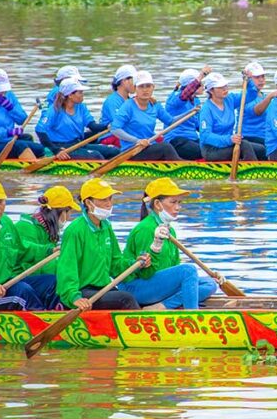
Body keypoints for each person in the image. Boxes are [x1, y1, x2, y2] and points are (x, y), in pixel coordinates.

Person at [121, 178, 218, 309]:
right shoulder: (145, 229)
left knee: (210, 283)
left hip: (159, 285)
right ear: (157, 204)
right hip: (137, 287)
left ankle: (162, 306)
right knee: (188, 270)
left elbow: (174, 265)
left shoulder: (169, 230)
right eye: (173, 202)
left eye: (179, 202)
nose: (178, 207)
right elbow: (145, 273)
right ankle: (192, 315)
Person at [57, 178, 150, 312]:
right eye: (103, 200)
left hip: (103, 287)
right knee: (126, 299)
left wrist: (134, 264)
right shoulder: (75, 230)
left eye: (110, 199)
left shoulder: (106, 227)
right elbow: (67, 268)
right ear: (88, 203)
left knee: (135, 296)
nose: (109, 204)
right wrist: (73, 297)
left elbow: (115, 264)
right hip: (83, 290)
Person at [0, 181, 60, 311]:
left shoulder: (6, 223)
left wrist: (49, 250)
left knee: (54, 282)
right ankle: (41, 323)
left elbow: (22, 249)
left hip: (7, 283)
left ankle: (57, 315)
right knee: (23, 292)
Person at [35, 78, 117, 160]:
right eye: (80, 92)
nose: (82, 94)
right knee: (96, 156)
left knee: (114, 151)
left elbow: (92, 126)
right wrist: (56, 150)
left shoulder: (81, 107)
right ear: (70, 95)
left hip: (78, 143)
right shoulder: (54, 110)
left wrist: (107, 126)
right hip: (61, 147)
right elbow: (39, 130)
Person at [110, 71, 184, 161]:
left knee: (174, 143)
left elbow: (171, 121)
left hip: (148, 147)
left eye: (148, 86)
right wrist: (137, 141)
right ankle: (185, 167)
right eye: (141, 86)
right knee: (165, 147)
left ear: (153, 87)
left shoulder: (155, 105)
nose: (145, 90)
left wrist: (191, 112)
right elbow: (115, 129)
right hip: (132, 151)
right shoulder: (128, 106)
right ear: (135, 88)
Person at [198, 73, 265, 162]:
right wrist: (229, 139)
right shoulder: (206, 109)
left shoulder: (230, 99)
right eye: (220, 87)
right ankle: (253, 171)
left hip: (228, 144)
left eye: (225, 85)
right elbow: (205, 136)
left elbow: (251, 95)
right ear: (211, 90)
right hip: (211, 150)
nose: (225, 89)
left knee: (261, 149)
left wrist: (248, 81)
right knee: (245, 145)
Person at [15, 185, 79, 277]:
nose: (69, 217)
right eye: (69, 212)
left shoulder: (48, 229)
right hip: (19, 279)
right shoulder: (26, 227)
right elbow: (27, 265)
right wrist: (66, 267)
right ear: (62, 212)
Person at [0, 69, 46, 159]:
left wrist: (11, 109)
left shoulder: (9, 95)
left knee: (38, 148)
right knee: (20, 146)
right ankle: (29, 167)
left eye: (4, 90)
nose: (2, 93)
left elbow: (23, 120)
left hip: (7, 140)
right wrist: (8, 132)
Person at [164, 66, 211, 161]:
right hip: (176, 140)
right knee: (205, 152)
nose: (203, 86)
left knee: (214, 148)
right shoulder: (175, 98)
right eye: (200, 83)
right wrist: (201, 75)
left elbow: (199, 126)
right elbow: (185, 94)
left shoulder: (196, 101)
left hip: (192, 139)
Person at [235, 61, 269, 149]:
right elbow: (256, 111)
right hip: (248, 138)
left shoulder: (264, 96)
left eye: (263, 76)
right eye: (257, 77)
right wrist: (271, 97)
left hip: (264, 137)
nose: (261, 80)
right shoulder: (244, 97)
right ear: (249, 79)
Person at [100, 64, 137, 143]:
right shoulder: (112, 101)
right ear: (124, 81)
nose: (136, 84)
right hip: (110, 137)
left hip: (128, 135)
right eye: (134, 80)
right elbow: (119, 126)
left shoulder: (131, 100)